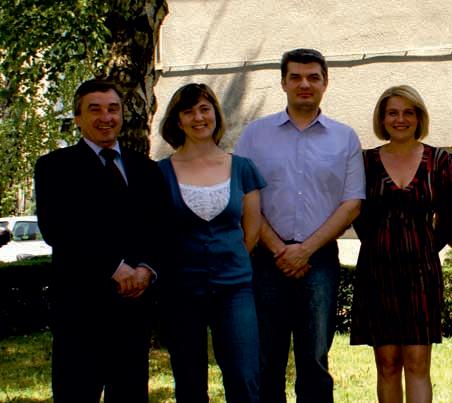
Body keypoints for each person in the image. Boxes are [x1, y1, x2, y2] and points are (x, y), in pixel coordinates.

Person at [234, 48, 365, 403]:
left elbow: (352, 203)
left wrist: (305, 250)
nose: (304, 84)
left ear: (325, 83)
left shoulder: (345, 137)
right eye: (295, 77)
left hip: (319, 260)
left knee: (315, 360)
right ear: (283, 83)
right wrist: (280, 250)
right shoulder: (255, 135)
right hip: (266, 259)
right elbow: (244, 197)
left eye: (313, 77)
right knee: (266, 359)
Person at [34, 79, 167, 403]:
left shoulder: (146, 169)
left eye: (113, 109)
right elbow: (57, 228)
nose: (106, 118)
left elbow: (160, 227)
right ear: (78, 118)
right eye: (95, 110)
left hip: (133, 308)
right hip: (80, 308)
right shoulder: (54, 167)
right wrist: (113, 267)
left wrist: (145, 269)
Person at [350, 85, 452, 403]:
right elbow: (358, 214)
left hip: (421, 274)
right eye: (393, 113)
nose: (401, 119)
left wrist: (422, 247)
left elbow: (449, 216)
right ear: (382, 119)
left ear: (419, 117)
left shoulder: (438, 160)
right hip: (377, 272)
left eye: (408, 112)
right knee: (387, 364)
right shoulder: (366, 162)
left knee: (417, 362)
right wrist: (382, 245)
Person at [158, 83, 265, 402]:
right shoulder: (160, 173)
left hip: (234, 289)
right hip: (181, 291)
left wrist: (227, 260)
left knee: (244, 377)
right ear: (178, 121)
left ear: (216, 115)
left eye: (205, 109)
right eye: (188, 111)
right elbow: (157, 232)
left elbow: (252, 229)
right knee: (190, 382)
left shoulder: (242, 168)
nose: (198, 118)